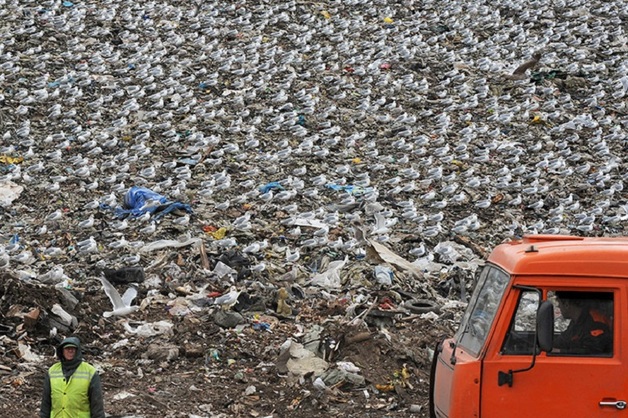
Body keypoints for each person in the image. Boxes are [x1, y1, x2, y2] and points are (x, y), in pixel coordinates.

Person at [40, 336, 105, 418]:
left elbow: (97, 405)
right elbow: (46, 403)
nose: (70, 351)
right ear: (62, 351)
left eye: (73, 348)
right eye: (67, 348)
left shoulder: (90, 372)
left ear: (77, 351)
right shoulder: (52, 371)